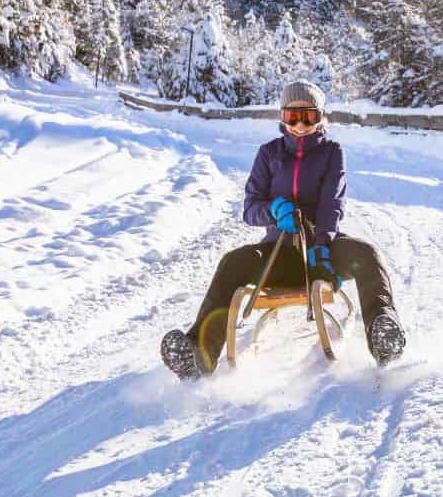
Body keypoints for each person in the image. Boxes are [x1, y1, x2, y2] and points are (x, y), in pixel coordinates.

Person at [160, 80, 406, 380]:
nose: (300, 125)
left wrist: (321, 244)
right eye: (292, 117)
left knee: (366, 253)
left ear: (321, 117)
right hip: (279, 253)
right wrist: (274, 211)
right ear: (282, 117)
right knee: (232, 262)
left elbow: (333, 204)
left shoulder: (332, 153)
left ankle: (383, 331)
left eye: (309, 117)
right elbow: (250, 209)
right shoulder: (268, 154)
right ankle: (200, 353)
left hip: (322, 253)